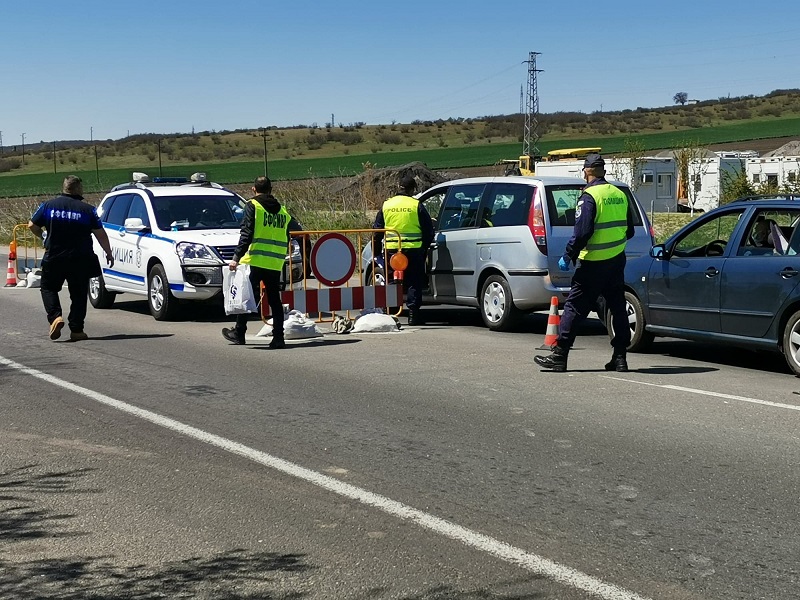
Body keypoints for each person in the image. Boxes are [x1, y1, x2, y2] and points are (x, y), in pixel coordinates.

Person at [534, 153, 635, 372]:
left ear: (586, 172)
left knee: (574, 307)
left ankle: (560, 355)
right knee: (617, 307)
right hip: (616, 262)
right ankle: (620, 357)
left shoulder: (589, 196)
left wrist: (568, 255)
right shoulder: (619, 194)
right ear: (603, 171)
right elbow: (630, 231)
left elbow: (582, 232)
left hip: (592, 264)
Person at [28, 175, 114, 341]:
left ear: (64, 188)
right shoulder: (88, 210)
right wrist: (108, 252)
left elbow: (32, 225)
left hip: (54, 256)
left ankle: (55, 317)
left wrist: (43, 237)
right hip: (80, 258)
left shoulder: (48, 206)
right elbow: (100, 234)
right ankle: (76, 330)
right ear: (78, 188)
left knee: (48, 288)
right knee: (79, 294)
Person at [221, 176, 303, 348]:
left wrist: (236, 258)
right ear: (271, 189)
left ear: (253, 189)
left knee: (245, 296)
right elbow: (297, 230)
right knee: (274, 300)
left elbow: (247, 233)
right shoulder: (283, 211)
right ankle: (278, 338)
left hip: (254, 260)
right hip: (275, 262)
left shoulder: (253, 206)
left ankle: (239, 333)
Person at [372, 174, 434, 325]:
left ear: (399, 188)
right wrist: (424, 248)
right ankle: (413, 315)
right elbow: (429, 230)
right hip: (413, 250)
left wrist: (376, 251)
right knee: (414, 281)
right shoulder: (416, 205)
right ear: (412, 189)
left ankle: (392, 314)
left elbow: (377, 230)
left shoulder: (387, 205)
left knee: (393, 280)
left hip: (392, 250)